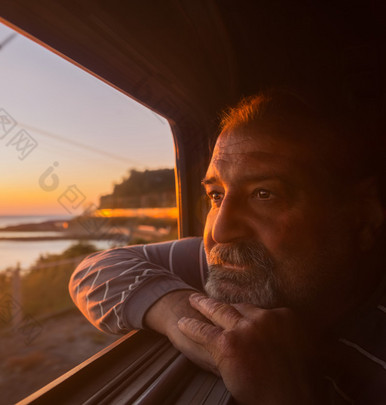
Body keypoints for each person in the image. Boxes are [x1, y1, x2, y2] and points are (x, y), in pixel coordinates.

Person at [69, 90, 385, 404]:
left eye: (264, 194)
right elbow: (95, 270)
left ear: (362, 217)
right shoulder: (236, 265)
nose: (220, 231)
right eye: (216, 196)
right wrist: (183, 317)